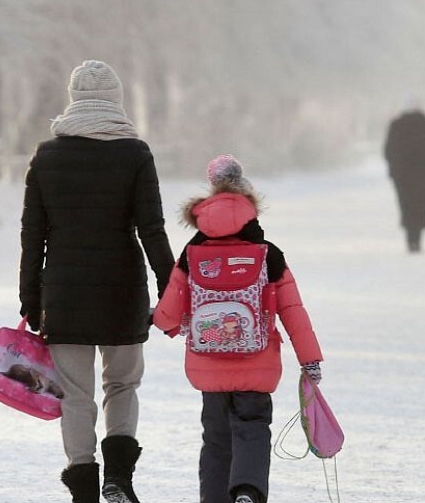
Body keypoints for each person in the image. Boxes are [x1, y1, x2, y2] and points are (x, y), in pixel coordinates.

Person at [19, 60, 174, 503]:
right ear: (116, 101)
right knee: (122, 384)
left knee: (75, 392)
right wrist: (172, 290)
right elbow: (153, 230)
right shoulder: (134, 153)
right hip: (122, 289)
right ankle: (119, 480)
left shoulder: (47, 156)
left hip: (64, 292)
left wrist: (31, 297)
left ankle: (83, 483)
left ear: (73, 99)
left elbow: (33, 235)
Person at [153, 155, 324, 503]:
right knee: (252, 429)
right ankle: (247, 491)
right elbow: (293, 311)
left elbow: (169, 311)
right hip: (257, 363)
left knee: (216, 439)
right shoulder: (268, 254)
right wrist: (310, 360)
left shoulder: (193, 253)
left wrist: (163, 323)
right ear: (250, 208)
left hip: (209, 364)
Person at [383, 107, 425, 252]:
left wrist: (393, 169)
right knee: (422, 206)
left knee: (406, 206)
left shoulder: (397, 126)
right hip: (424, 176)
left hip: (403, 177)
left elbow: (388, 150)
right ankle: (417, 237)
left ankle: (411, 237)